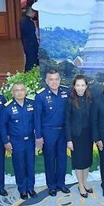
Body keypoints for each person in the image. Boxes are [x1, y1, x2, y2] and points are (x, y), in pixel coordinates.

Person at [35, 69, 70, 197]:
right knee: (49, 160)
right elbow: (37, 117)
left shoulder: (66, 92)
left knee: (62, 159)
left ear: (60, 80)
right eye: (51, 79)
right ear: (46, 81)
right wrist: (38, 136)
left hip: (63, 132)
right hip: (48, 132)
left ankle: (61, 183)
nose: (54, 82)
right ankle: (52, 186)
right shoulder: (40, 96)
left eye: (56, 79)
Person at [0, 83, 36, 199]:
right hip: (16, 141)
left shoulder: (32, 104)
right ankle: (22, 189)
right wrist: (6, 142)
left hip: (30, 140)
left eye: (21, 90)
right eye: (16, 90)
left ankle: (30, 188)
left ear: (25, 91)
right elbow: (2, 126)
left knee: (30, 165)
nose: (19, 92)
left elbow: (36, 122)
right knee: (19, 166)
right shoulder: (7, 107)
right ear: (12, 92)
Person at [65, 75, 94, 198]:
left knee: (87, 160)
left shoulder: (90, 99)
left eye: (82, 85)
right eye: (78, 85)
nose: (80, 88)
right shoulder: (70, 101)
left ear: (86, 86)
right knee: (78, 161)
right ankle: (80, 185)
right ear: (74, 86)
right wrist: (69, 140)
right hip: (76, 136)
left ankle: (85, 182)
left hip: (88, 135)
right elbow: (67, 121)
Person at [20, 6, 39, 72]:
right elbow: (32, 36)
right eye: (34, 13)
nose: (35, 15)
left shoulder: (22, 20)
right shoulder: (29, 22)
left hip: (26, 44)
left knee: (29, 60)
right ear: (31, 12)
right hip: (31, 45)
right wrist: (37, 46)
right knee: (31, 62)